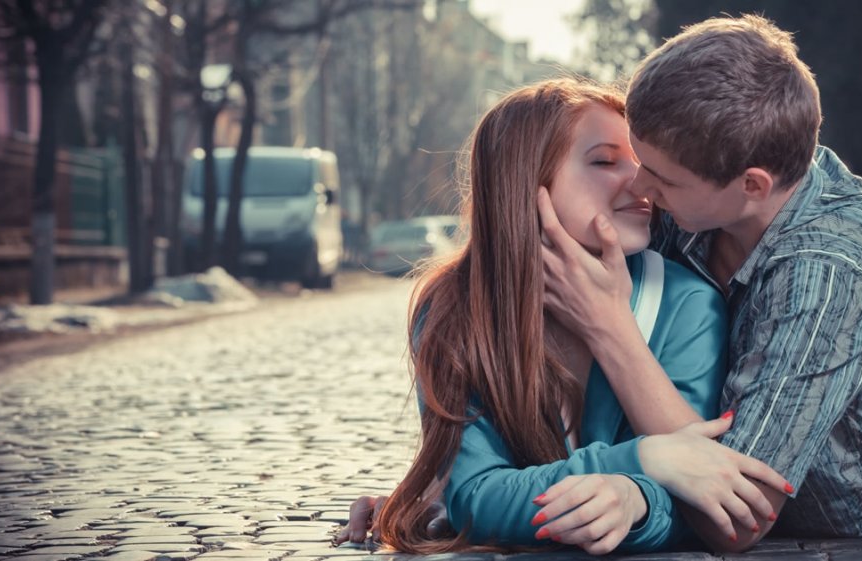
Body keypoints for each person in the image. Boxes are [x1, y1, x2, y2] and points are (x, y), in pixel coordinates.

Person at [538, 14, 862, 554]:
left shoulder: (828, 272)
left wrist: (609, 329)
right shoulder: (704, 179)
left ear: (752, 186)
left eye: (662, 179)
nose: (640, 186)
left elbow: (738, 517)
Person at [337, 78, 790, 555]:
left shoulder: (686, 303)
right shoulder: (451, 308)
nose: (639, 181)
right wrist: (644, 458)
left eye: (639, 160)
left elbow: (698, 490)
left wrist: (634, 499)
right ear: (522, 179)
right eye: (604, 160)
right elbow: (475, 495)